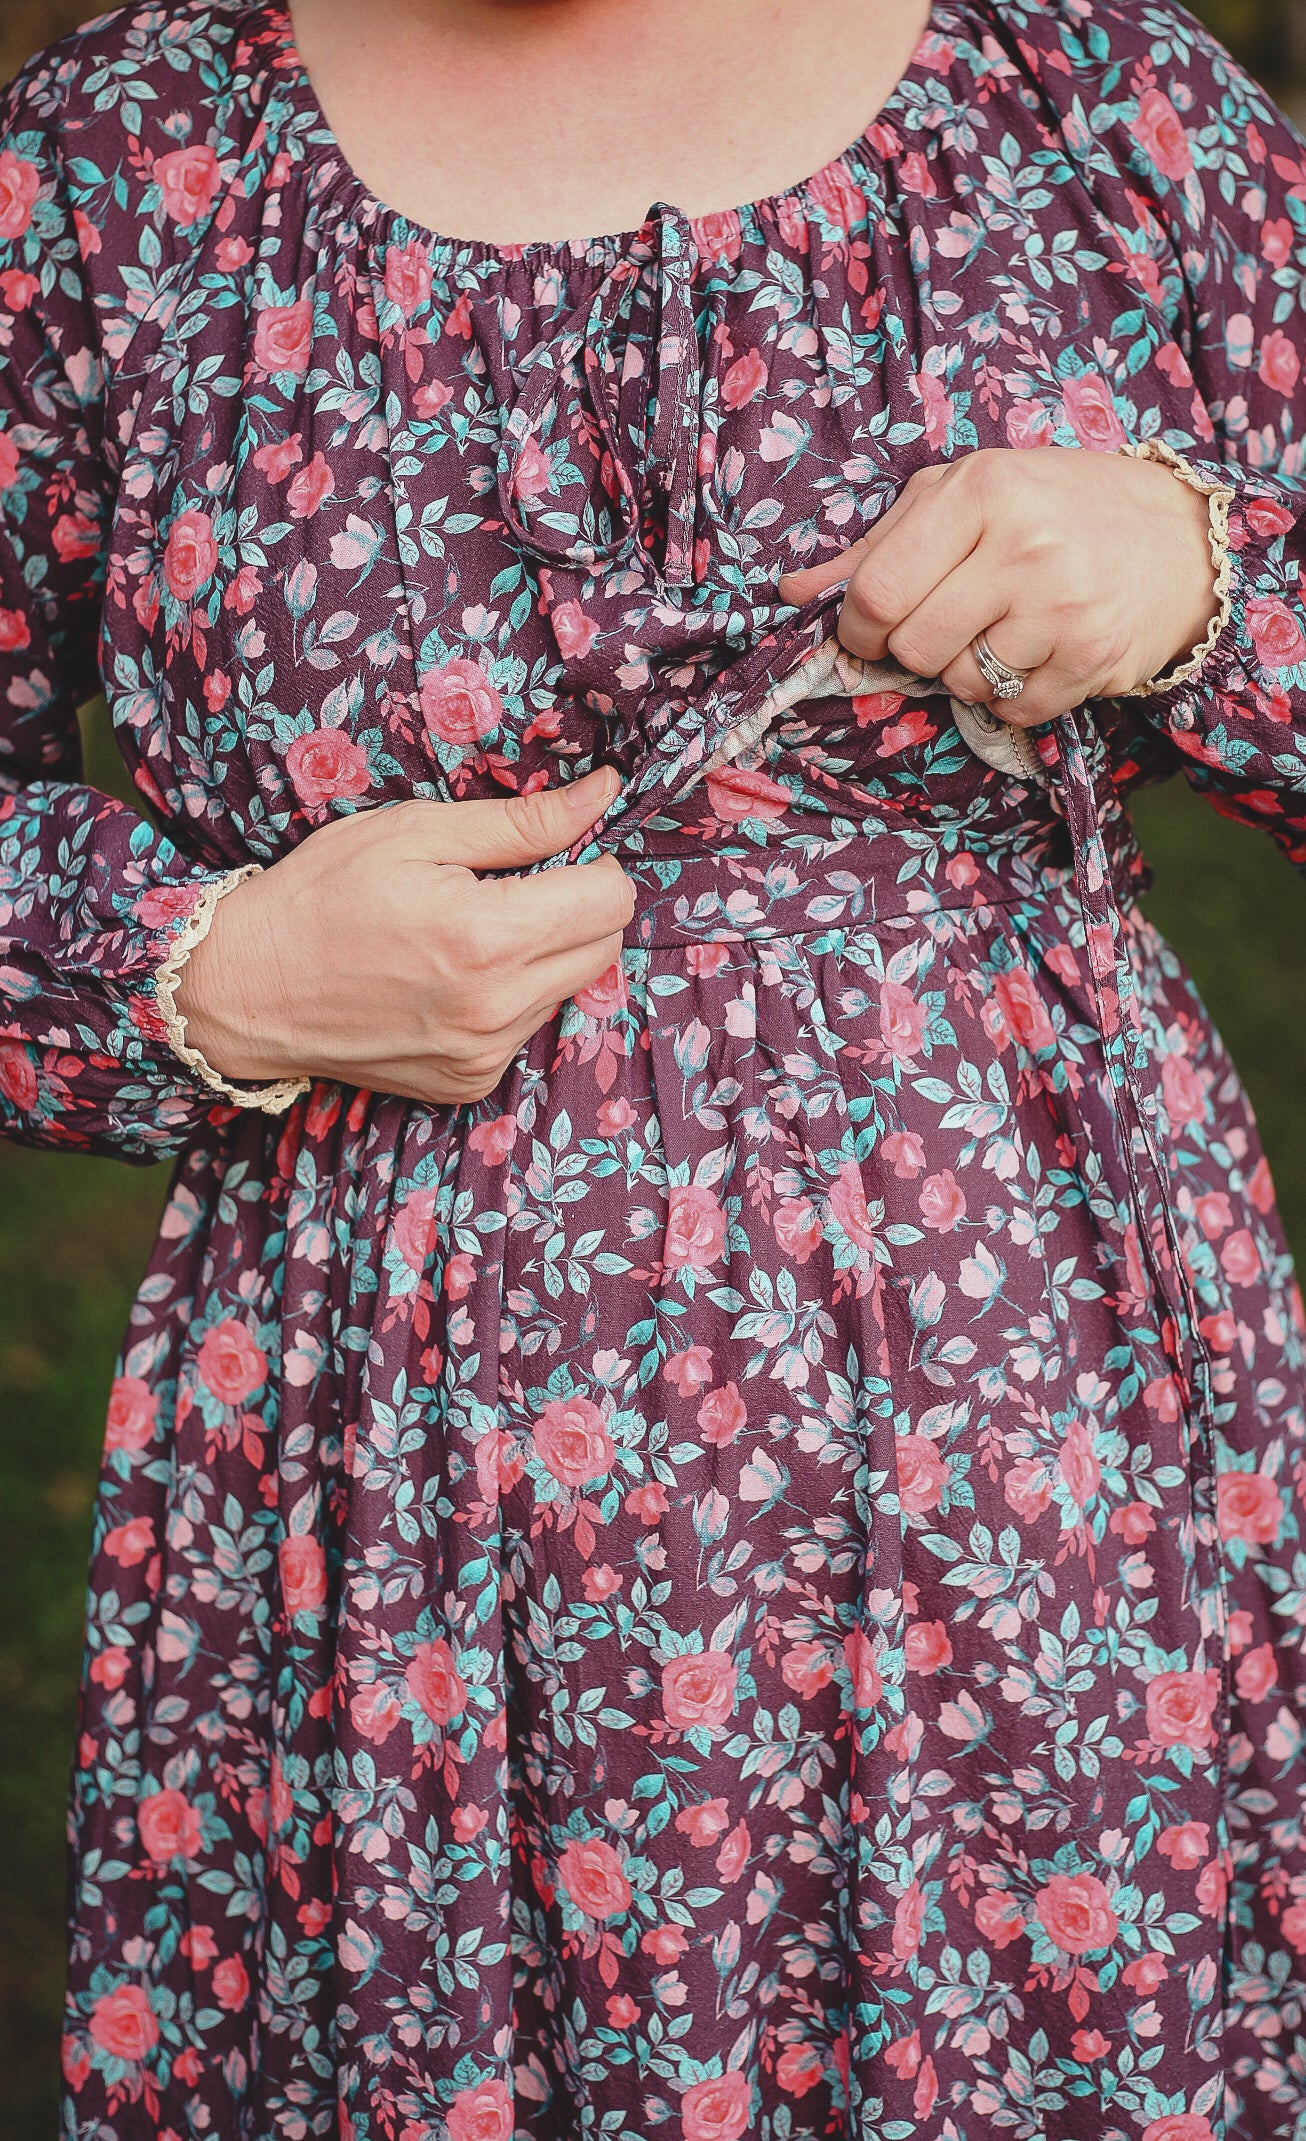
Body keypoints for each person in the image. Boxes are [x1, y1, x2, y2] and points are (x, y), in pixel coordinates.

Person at [2, 0, 1306, 2130]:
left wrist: (1198, 580)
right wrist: (205, 966)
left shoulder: (1083, 98)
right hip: (388, 1503)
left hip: (1023, 1462)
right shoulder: (120, 163)